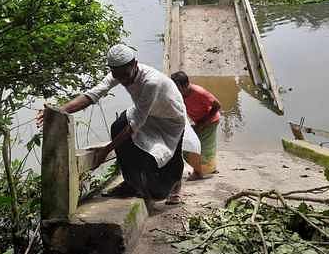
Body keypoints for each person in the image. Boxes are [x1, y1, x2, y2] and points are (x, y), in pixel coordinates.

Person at [37, 44, 187, 204]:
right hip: (146, 112)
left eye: (125, 75)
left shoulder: (151, 82)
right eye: (117, 75)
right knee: (117, 128)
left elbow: (134, 126)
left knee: (171, 156)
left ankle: (175, 185)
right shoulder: (118, 73)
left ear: (135, 64)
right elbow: (92, 95)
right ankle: (131, 184)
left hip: (170, 119)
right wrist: (59, 111)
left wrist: (106, 150)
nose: (122, 80)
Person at [171, 71, 221, 180]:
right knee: (204, 147)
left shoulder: (199, 92)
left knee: (195, 147)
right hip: (199, 122)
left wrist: (204, 122)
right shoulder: (180, 94)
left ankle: (198, 173)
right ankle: (209, 168)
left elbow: (217, 105)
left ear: (185, 85)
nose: (174, 90)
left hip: (210, 121)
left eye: (176, 87)